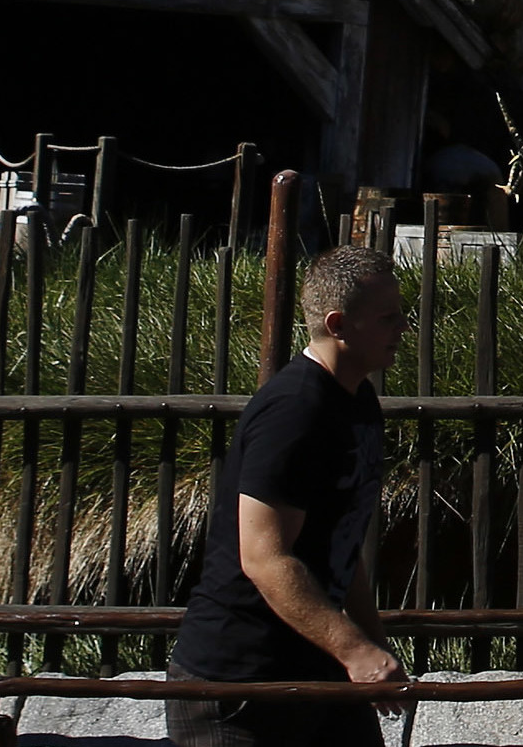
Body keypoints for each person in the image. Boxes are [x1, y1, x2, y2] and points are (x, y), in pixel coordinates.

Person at [170, 244, 411, 747]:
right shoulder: (294, 411)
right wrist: (355, 652)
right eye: (389, 318)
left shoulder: (359, 401)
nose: (402, 329)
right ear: (338, 324)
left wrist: (370, 645)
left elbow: (343, 543)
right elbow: (264, 557)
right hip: (238, 684)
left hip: (319, 668)